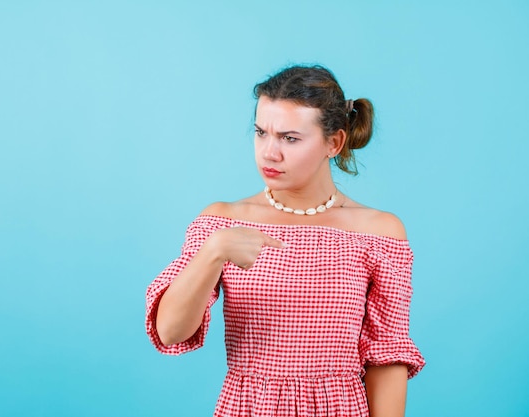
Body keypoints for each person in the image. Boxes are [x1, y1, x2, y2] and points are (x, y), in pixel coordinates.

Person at [145, 65, 425, 417]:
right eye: (261, 132)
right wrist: (213, 252)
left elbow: (387, 358)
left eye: (290, 138)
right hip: (248, 408)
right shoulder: (223, 221)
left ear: (334, 143)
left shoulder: (379, 234)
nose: (269, 153)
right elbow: (170, 332)